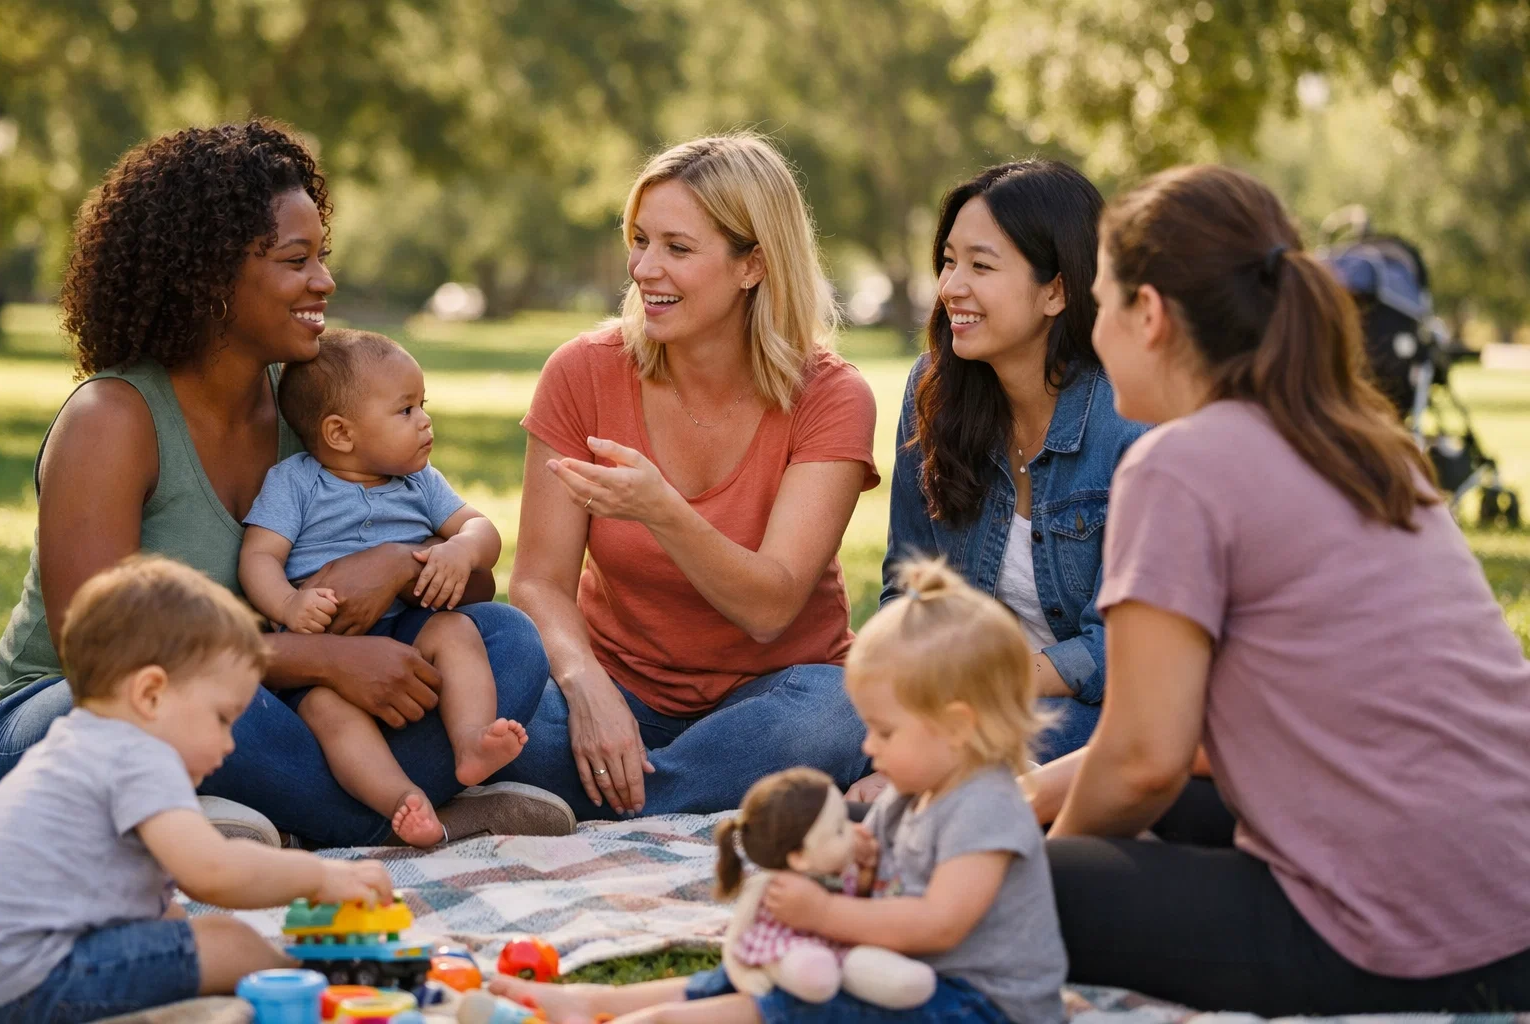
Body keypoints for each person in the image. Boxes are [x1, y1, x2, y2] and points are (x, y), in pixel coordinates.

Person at [0, 120, 567, 846]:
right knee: (200, 700)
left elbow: (471, 585)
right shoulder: (113, 420)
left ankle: (287, 818)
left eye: (321, 257)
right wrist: (327, 656)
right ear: (208, 277)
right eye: (297, 260)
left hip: (283, 699)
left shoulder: (311, 408)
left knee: (506, 640)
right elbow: (101, 653)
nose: (324, 281)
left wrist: (395, 566)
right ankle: (397, 814)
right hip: (76, 712)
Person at [1043, 164, 1530, 1014]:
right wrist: (1023, 798)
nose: (1094, 334)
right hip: (1508, 901)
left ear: (1149, 315)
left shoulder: (1178, 467)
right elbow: (1195, 755)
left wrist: (1046, 877)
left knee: (985, 874)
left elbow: (1144, 761)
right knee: (1177, 814)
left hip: (1405, 942)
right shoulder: (1367, 445)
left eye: (1102, 303)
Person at [488, 558, 1066, 1024]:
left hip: (979, 1004)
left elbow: (939, 924)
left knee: (797, 1004)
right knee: (757, 971)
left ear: (960, 726)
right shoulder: (911, 795)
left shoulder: (987, 807)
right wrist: (861, 869)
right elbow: (894, 889)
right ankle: (593, 1005)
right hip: (903, 973)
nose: (869, 748)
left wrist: (828, 911)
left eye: (886, 732)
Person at [503, 134, 878, 819]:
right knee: (489, 702)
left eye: (677, 249)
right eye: (640, 240)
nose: (645, 268)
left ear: (752, 265)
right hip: (617, 687)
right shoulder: (582, 372)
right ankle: (702, 792)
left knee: (833, 718)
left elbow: (770, 609)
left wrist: (661, 509)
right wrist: (587, 687)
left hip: (773, 696)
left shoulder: (831, 397)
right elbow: (536, 581)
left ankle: (617, 798)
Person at [0, 556, 395, 1023]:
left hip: (14, 972)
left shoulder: (73, 747)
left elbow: (128, 901)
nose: (229, 743)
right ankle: (315, 986)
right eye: (223, 718)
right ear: (150, 695)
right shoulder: (139, 755)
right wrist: (321, 877)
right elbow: (212, 871)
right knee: (232, 942)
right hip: (39, 978)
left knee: (183, 933)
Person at [877, 160, 1145, 773]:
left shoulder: (1128, 425)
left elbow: (1122, 649)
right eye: (948, 261)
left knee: (1008, 746)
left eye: (981, 265)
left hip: (1082, 707)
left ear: (1057, 290)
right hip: (957, 697)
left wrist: (978, 689)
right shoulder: (934, 391)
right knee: (824, 718)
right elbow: (908, 587)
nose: (951, 288)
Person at [239, 329, 532, 847]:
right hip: (320, 650)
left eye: (423, 405)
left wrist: (460, 549)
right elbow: (260, 556)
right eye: (405, 410)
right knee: (331, 715)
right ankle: (401, 802)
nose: (425, 421)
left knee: (458, 631)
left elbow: (481, 528)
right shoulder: (297, 482)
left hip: (406, 629)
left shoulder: (421, 482)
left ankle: (471, 745)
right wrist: (289, 601)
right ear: (340, 433)